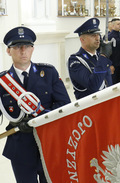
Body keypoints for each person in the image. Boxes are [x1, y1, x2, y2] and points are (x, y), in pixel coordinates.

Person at [0, 26, 71, 182]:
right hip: (20, 147)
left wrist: (38, 119)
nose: (23, 51)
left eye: (27, 46)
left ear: (33, 49)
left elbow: (64, 105)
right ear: (8, 51)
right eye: (17, 47)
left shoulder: (49, 73)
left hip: (48, 143)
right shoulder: (2, 82)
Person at [68, 18, 112, 100]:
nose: (97, 38)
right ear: (82, 40)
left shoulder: (99, 57)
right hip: (90, 108)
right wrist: (103, 56)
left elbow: (108, 83)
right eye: (93, 35)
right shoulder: (75, 61)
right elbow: (93, 86)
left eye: (98, 34)